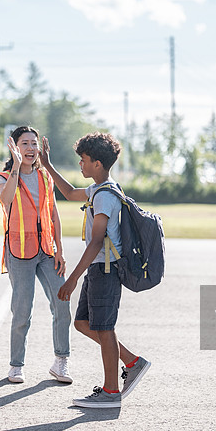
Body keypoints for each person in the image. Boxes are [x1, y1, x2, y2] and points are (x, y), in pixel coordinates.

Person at [41, 132, 151, 409]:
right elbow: (67, 193)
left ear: (98, 164)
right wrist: (47, 164)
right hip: (97, 269)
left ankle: (111, 392)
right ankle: (133, 362)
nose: (81, 164)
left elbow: (97, 241)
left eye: (84, 160)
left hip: (105, 270)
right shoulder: (97, 190)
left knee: (104, 328)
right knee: (84, 324)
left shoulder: (105, 197)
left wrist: (72, 279)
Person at [0, 126, 72, 384]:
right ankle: (16, 365)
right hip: (20, 251)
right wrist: (16, 166)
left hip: (47, 251)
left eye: (33, 144)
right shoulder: (3, 177)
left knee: (62, 302)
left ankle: (61, 362)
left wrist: (59, 248)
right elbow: (6, 199)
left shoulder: (45, 177)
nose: (30, 148)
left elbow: (54, 214)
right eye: (24, 143)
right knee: (22, 311)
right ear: (15, 147)